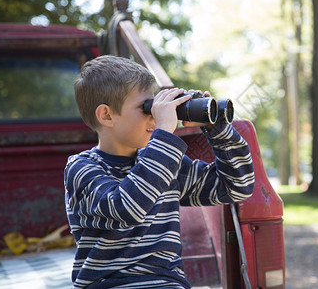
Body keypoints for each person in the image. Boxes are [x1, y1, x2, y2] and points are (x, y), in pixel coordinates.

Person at [64, 55, 255, 288]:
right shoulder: (83, 168)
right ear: (106, 115)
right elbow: (127, 209)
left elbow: (236, 187)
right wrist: (164, 133)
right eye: (146, 108)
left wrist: (217, 129)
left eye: (156, 106)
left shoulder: (162, 162)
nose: (155, 116)